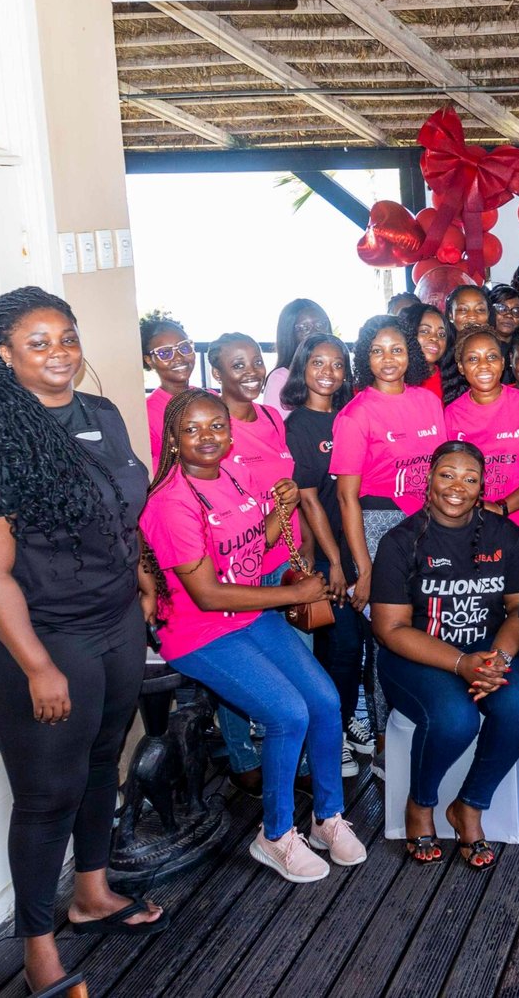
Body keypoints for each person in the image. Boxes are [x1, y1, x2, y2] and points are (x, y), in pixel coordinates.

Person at [0, 288, 164, 990]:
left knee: (105, 756)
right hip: (35, 636)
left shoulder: (102, 415)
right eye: (37, 343)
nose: (59, 354)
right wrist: (38, 664)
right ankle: (37, 942)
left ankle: (92, 892)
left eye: (66, 338)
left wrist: (139, 575)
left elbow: (124, 509)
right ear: (5, 357)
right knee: (49, 791)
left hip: (112, 620)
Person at [141, 390, 364, 884]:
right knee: (287, 714)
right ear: (173, 439)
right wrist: (293, 595)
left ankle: (327, 818)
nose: (208, 437)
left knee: (325, 701)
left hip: (248, 618)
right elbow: (206, 594)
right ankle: (275, 834)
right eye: (193, 429)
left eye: (217, 427)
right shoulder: (171, 502)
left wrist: (279, 510)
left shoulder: (234, 475)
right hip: (201, 633)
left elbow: (252, 543)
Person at [370, 441, 519, 867]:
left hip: (489, 651)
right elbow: (389, 628)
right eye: (447, 475)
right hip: (416, 657)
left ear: (483, 486)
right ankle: (421, 804)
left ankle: (469, 805)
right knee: (455, 717)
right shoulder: (400, 542)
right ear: (428, 479)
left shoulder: (510, 537)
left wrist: (497, 659)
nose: (457, 487)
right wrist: (461, 664)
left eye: (470, 478)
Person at [207, 331, 301, 785]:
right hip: (242, 563)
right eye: (237, 365)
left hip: (284, 553)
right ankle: (242, 756)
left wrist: (285, 499)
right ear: (217, 373)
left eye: (255, 363)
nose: (250, 373)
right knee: (241, 663)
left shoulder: (271, 417)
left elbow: (287, 481)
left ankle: (290, 753)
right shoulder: (213, 428)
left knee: (292, 660)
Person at [281, 333, 375, 776]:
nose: (328, 372)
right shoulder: (298, 424)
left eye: (337, 364)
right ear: (302, 368)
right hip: (323, 552)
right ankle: (329, 733)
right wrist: (335, 563)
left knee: (355, 645)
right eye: (318, 362)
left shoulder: (350, 415)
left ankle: (343, 719)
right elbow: (310, 499)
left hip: (356, 542)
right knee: (338, 644)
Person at [332, 315, 445, 619]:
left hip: (428, 522)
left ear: (410, 353)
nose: (388, 359)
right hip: (378, 527)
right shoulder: (355, 415)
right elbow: (346, 498)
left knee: (428, 622)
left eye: (396, 349)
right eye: (377, 350)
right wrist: (365, 567)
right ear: (365, 357)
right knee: (388, 627)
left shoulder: (430, 402)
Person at [444, 326, 519, 538]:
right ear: (461, 368)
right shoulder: (451, 415)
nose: (483, 365)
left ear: (502, 362)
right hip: (471, 527)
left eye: (491, 356)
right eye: (473, 359)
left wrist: (502, 507)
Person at [141, 315, 194, 470]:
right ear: (149, 361)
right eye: (165, 353)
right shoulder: (148, 414)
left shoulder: (211, 399)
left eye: (184, 348)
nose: (179, 358)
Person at [264, 298, 331, 415]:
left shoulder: (336, 373)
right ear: (289, 334)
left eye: (320, 324)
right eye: (305, 328)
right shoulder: (280, 379)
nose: (316, 332)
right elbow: (278, 429)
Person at [402, 302, 462, 405]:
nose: (434, 337)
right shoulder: (396, 380)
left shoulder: (455, 381)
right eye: (425, 331)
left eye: (442, 334)